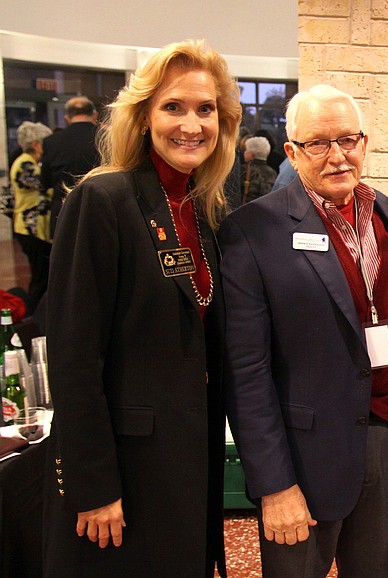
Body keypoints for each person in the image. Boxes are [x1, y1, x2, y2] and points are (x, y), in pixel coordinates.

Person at [43, 39, 241, 578]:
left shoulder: (201, 209)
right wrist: (93, 484)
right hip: (124, 476)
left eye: (205, 109)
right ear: (144, 115)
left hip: (186, 462)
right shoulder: (103, 201)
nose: (191, 124)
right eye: (173, 107)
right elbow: (72, 356)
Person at [220, 84, 388, 577]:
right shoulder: (253, 230)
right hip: (303, 459)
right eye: (318, 143)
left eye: (348, 140)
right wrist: (273, 484)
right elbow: (246, 371)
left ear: (365, 143)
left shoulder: (385, 212)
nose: (337, 156)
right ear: (291, 151)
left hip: (387, 439)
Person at [40, 95, 100, 237]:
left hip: (63, 209)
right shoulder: (105, 136)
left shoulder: (51, 141)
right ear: (94, 115)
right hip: (99, 208)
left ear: (67, 117)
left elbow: (45, 181)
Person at [10, 121, 53, 314]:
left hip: (34, 228)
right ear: (36, 144)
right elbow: (43, 186)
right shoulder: (25, 163)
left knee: (41, 275)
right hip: (30, 228)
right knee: (39, 277)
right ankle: (34, 316)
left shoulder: (29, 162)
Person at [240, 135, 278, 204]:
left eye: (245, 149)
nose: (244, 152)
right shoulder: (273, 173)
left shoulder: (243, 170)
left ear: (251, 154)